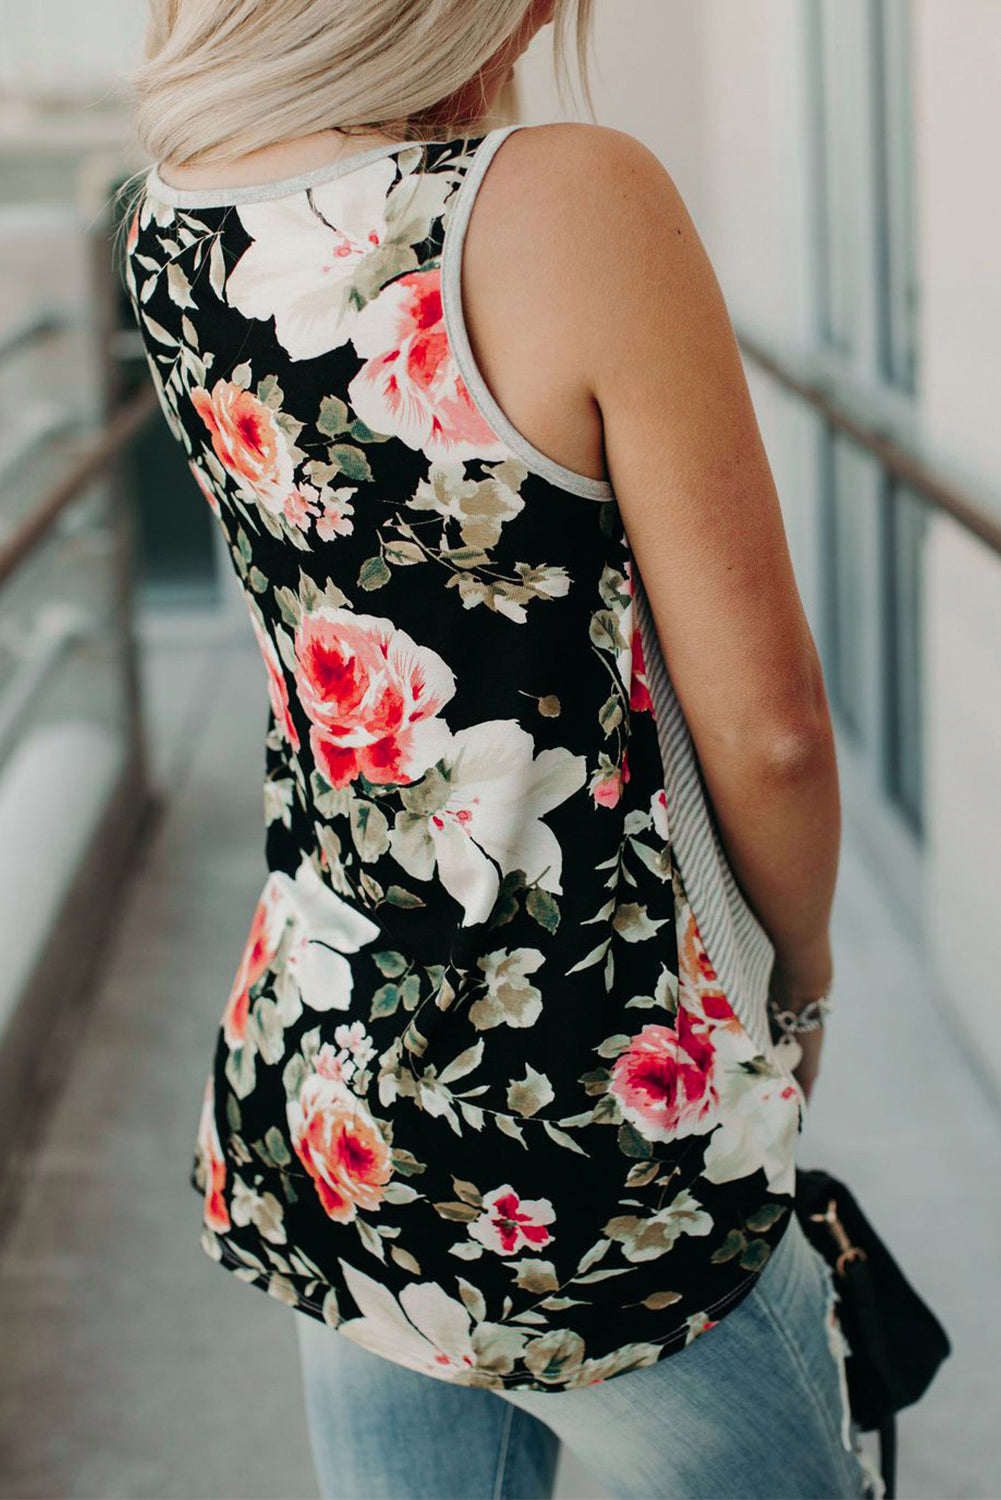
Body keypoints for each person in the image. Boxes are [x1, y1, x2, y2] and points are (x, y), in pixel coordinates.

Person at [121, 2, 882, 1496]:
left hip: (327, 1096)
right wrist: (799, 980)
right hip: (595, 1141)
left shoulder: (171, 207)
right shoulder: (569, 202)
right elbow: (772, 734)